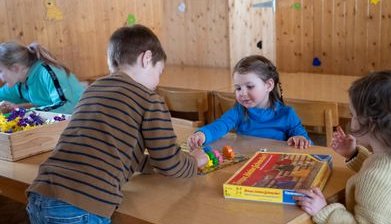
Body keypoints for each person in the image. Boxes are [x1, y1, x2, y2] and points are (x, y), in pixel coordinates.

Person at [26, 24, 208, 223]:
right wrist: (195, 161)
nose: (157, 82)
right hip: (81, 205)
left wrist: (151, 165)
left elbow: (118, 148)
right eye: (160, 72)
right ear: (146, 59)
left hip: (40, 194)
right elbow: (169, 162)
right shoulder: (149, 99)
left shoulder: (92, 90)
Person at [295, 71, 391, 223]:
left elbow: (377, 180)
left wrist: (324, 211)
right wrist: (353, 154)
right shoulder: (390, 157)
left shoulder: (375, 181)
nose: (351, 120)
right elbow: (383, 171)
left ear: (370, 124)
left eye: (352, 115)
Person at [187, 55, 312, 150]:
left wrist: (300, 139)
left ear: (268, 85)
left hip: (276, 165)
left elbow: (305, 141)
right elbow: (220, 125)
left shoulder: (287, 114)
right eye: (238, 88)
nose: (242, 93)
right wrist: (202, 134)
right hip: (247, 163)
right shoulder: (239, 111)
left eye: (250, 86)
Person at [0, 41, 84, 114]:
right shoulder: (19, 82)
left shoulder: (48, 71)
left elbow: (67, 106)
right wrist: (15, 108)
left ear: (15, 68)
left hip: (83, 118)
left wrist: (25, 113)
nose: (0, 77)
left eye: (0, 71)